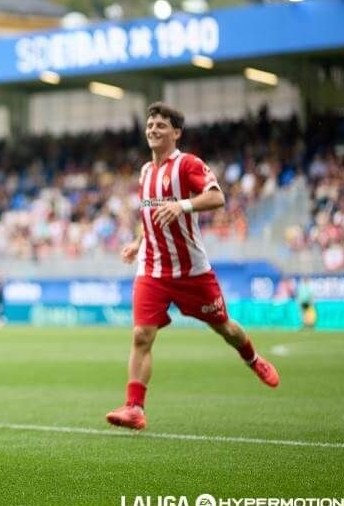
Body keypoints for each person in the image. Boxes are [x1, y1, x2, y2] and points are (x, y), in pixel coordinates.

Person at [106, 102, 280, 431]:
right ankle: (134, 408)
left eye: (161, 125)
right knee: (142, 335)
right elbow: (151, 214)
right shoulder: (145, 171)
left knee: (224, 327)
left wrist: (182, 205)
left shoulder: (187, 165)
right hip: (152, 270)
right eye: (150, 124)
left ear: (176, 133)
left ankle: (253, 359)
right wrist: (138, 241)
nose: (153, 130)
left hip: (191, 272)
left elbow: (217, 198)